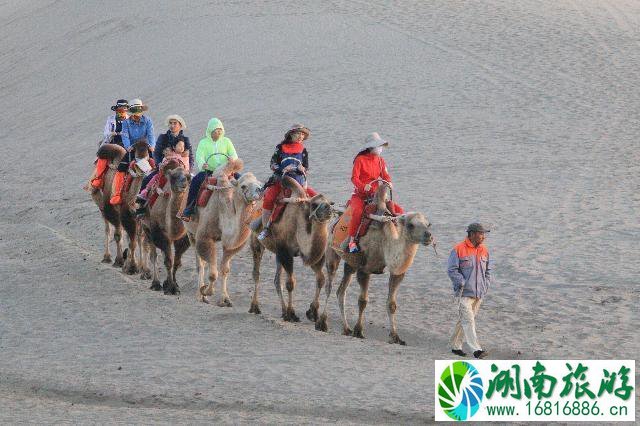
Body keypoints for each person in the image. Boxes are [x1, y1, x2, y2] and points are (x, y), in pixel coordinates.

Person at [346, 132, 404, 253]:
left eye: (381, 146)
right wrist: (363, 186)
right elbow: (354, 178)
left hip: (377, 195)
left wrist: (388, 182)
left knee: (399, 211)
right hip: (360, 195)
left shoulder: (380, 160)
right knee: (357, 212)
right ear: (371, 147)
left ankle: (400, 237)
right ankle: (352, 240)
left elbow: (385, 176)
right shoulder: (360, 160)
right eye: (378, 146)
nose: (380, 149)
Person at [257, 124, 317, 240]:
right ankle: (266, 228)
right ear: (291, 134)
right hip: (281, 180)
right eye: (298, 133)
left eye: (303, 134)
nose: (301, 136)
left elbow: (306, 167)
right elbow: (272, 164)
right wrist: (283, 169)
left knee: (317, 197)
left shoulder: (303, 150)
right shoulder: (280, 147)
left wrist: (303, 169)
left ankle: (317, 223)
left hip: (298, 181)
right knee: (269, 197)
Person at [447, 223, 492, 359]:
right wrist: (461, 282)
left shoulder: (484, 250)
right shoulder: (458, 249)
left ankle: (455, 346)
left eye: (484, 234)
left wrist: (485, 285)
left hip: (479, 294)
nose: (483, 237)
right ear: (472, 234)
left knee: (464, 321)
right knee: (469, 320)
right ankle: (476, 350)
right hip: (464, 294)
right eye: (481, 233)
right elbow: (452, 270)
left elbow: (488, 271)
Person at [180, 117, 238, 220]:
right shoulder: (203, 142)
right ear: (210, 131)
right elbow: (199, 156)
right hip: (209, 171)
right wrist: (203, 164)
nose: (218, 132)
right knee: (195, 182)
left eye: (220, 130)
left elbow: (233, 154)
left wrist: (232, 159)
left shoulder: (227, 141)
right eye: (216, 130)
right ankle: (189, 209)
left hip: (226, 170)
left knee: (241, 179)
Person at [110, 98, 155, 205]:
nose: (136, 114)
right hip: (133, 148)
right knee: (121, 168)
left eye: (138, 111)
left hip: (145, 147)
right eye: (134, 111)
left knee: (157, 165)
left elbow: (151, 134)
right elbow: (125, 135)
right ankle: (117, 193)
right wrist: (128, 146)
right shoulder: (126, 123)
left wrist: (152, 145)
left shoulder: (148, 121)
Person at [136, 139, 190, 216]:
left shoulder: (183, 158)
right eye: (179, 145)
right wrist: (162, 166)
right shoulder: (167, 158)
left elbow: (186, 168)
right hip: (165, 175)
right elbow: (162, 168)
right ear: (174, 148)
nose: (181, 148)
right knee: (152, 181)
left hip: (178, 175)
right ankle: (143, 204)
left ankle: (188, 209)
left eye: (183, 146)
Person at [84, 99, 129, 191]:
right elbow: (106, 133)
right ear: (117, 109)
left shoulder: (130, 120)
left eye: (124, 109)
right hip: (112, 143)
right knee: (103, 156)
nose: (122, 111)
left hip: (126, 144)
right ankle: (98, 178)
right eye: (120, 109)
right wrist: (112, 133)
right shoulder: (111, 119)